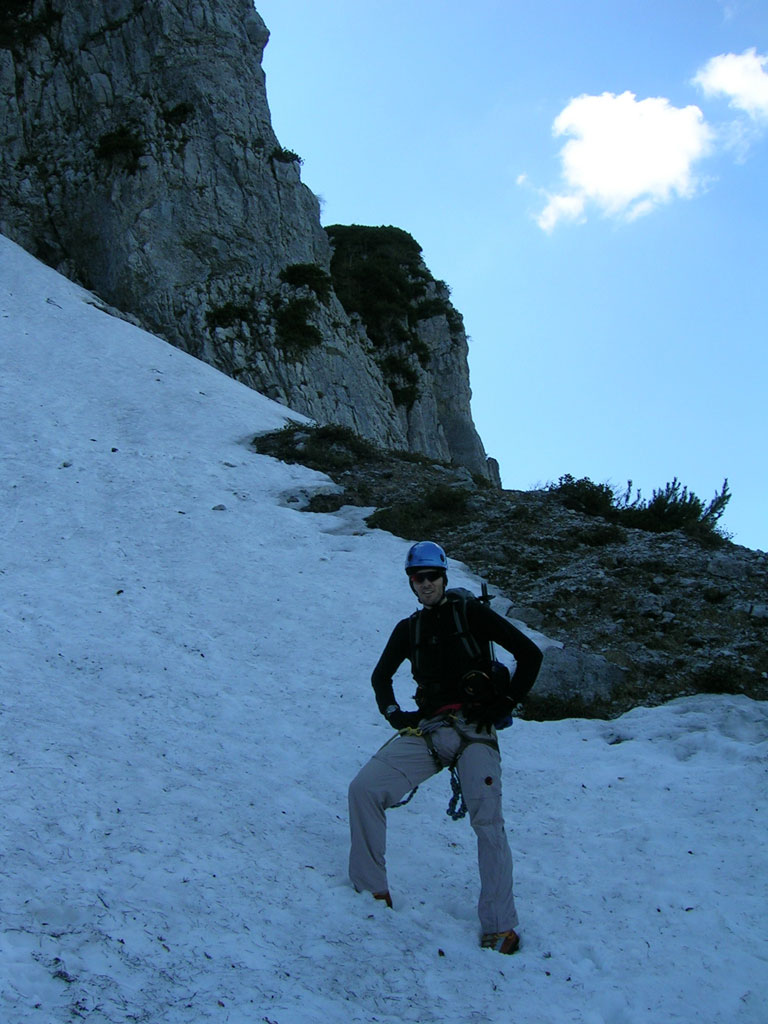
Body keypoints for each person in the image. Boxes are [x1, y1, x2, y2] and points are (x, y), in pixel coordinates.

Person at [348, 540, 543, 954]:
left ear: (444, 577)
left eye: (432, 576)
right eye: (418, 578)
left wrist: (504, 704)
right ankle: (371, 890)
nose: (426, 584)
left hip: (476, 730)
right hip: (431, 730)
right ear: (411, 582)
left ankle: (500, 926)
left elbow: (529, 655)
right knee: (365, 789)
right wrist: (395, 715)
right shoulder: (409, 630)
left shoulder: (471, 614)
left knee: (488, 822)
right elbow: (381, 677)